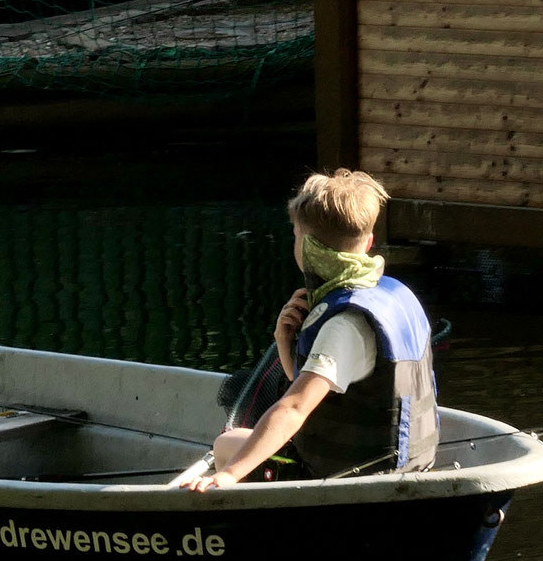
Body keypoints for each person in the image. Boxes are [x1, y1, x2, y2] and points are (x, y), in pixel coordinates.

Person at [185, 169, 437, 491]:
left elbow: (294, 407)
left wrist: (229, 474)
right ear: (370, 242)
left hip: (354, 484)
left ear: (308, 248)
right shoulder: (393, 295)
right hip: (410, 468)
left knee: (227, 446)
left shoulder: (343, 325)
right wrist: (284, 342)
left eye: (295, 235)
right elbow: (331, 397)